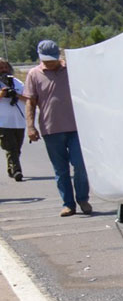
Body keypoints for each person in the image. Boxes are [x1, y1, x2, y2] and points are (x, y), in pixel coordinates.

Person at [25, 40, 90, 217]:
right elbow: (30, 102)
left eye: (52, 59)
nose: (50, 63)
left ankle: (83, 198)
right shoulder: (33, 74)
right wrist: (30, 126)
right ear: (40, 58)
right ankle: (68, 204)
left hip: (76, 128)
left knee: (80, 164)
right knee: (60, 170)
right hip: (50, 129)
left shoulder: (71, 70)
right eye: (46, 60)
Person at [0, 58, 30, 181]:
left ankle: (11, 168)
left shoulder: (18, 83)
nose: (3, 70)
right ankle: (17, 171)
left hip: (19, 122)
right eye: (0, 68)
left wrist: (15, 94)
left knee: (17, 148)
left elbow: (28, 99)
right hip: (3, 122)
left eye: (5, 67)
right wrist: (3, 94)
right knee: (11, 147)